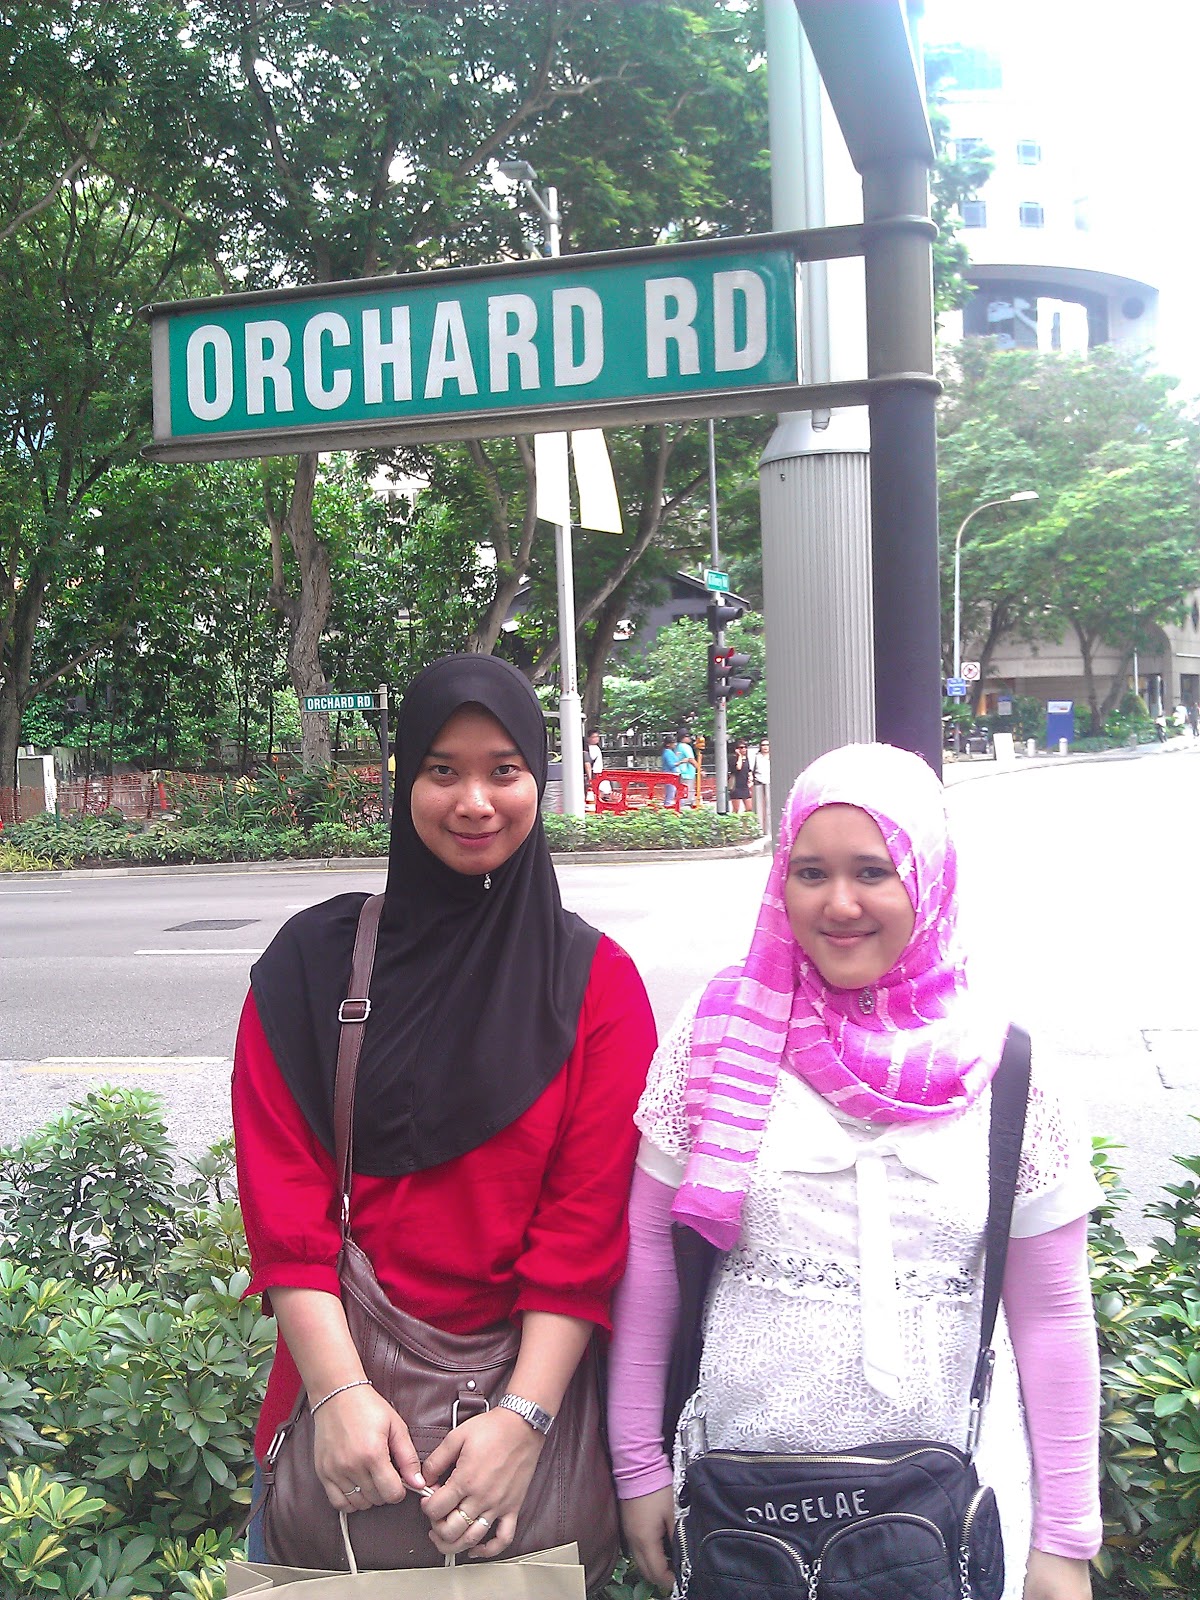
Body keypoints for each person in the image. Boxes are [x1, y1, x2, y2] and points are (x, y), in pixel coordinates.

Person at [607, 742, 1102, 1600]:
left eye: (873, 871)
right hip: (742, 1510)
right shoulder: (722, 1031)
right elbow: (650, 1251)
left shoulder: (1009, 1070)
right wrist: (637, 1467)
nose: (839, 904)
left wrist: (1065, 1540)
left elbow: (1054, 1315)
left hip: (946, 1516)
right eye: (811, 873)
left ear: (929, 879)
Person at [234, 655, 657, 1576]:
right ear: (405, 783)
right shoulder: (312, 966)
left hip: (523, 1447)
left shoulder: (595, 986)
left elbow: (583, 1234)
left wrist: (523, 1422)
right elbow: (286, 1208)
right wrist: (338, 1394)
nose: (474, 802)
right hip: (340, 1434)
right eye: (442, 770)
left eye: (504, 770)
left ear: (537, 780)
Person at [750, 736, 770, 830]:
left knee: (770, 806)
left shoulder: (774, 756)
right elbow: (751, 770)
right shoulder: (756, 757)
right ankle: (760, 827)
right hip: (759, 782)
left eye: (767, 745)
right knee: (759, 807)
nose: (765, 747)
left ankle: (769, 827)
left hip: (770, 782)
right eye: (763, 745)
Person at [673, 730, 697, 807]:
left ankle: (681, 806)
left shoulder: (677, 747)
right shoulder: (685, 747)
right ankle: (685, 807)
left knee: (681, 792)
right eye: (688, 736)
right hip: (687, 773)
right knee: (688, 792)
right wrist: (700, 769)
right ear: (683, 737)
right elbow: (691, 759)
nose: (690, 738)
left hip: (679, 772)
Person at [727, 740, 751, 814]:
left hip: (744, 785)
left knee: (749, 808)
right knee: (736, 809)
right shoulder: (733, 759)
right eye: (741, 747)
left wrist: (750, 778)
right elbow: (738, 767)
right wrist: (739, 756)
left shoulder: (746, 759)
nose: (744, 749)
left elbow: (748, 770)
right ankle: (733, 821)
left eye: (745, 747)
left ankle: (744, 821)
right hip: (736, 786)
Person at [659, 736, 679, 809]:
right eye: (673, 743)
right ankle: (667, 807)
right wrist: (682, 762)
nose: (675, 744)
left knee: (672, 792)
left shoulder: (669, 752)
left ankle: (668, 807)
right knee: (671, 792)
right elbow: (671, 765)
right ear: (668, 744)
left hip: (672, 774)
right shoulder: (667, 752)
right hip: (670, 775)